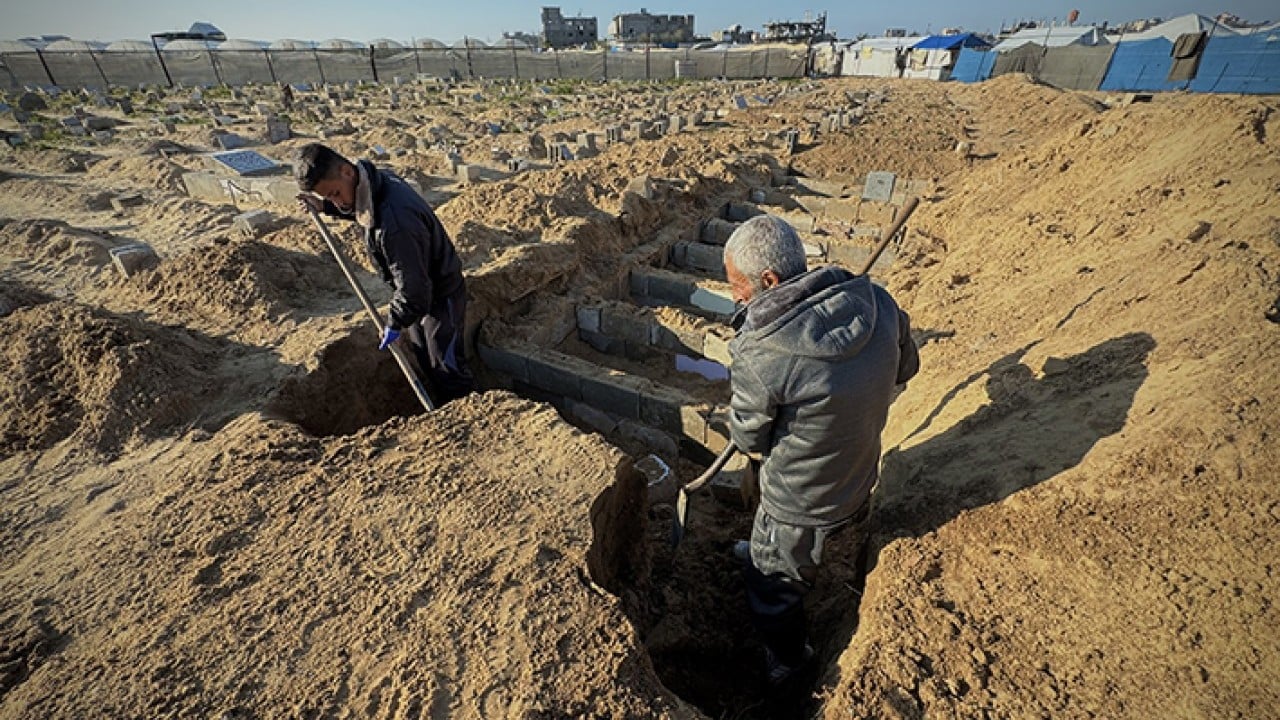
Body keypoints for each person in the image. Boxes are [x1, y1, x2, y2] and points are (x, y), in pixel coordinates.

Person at [722, 214, 919, 685]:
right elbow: (905, 367)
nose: (734, 297)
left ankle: (790, 660)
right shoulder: (878, 301)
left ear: (769, 280)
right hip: (858, 473)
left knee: (773, 584)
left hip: (799, 501)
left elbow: (749, 438)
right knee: (822, 529)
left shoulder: (762, 351)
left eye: (736, 286)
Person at [294, 143, 474, 404]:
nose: (338, 201)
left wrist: (393, 322)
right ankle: (445, 403)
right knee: (425, 354)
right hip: (420, 292)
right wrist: (327, 208)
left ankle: (470, 415)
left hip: (440, 294)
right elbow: (366, 208)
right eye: (329, 198)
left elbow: (415, 289)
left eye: (334, 194)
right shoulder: (375, 181)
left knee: (447, 367)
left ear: (346, 171)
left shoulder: (396, 223)